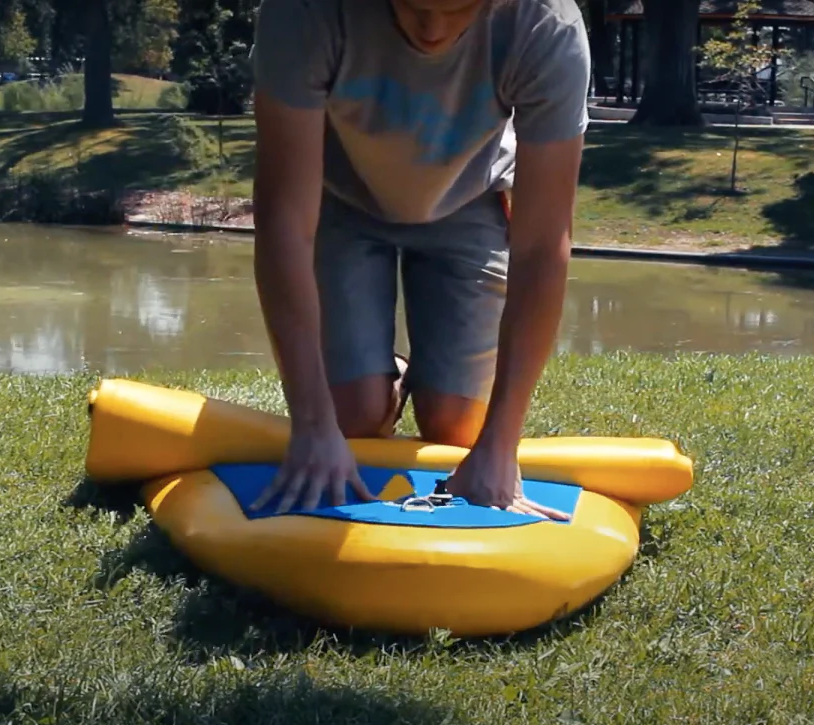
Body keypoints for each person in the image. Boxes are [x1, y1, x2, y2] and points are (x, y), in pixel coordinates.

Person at [247, 0, 591, 518]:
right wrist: (313, 425)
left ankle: (413, 381)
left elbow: (543, 245)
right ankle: (381, 384)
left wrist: (501, 445)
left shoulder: (546, 26)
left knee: (455, 429)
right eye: (412, 5)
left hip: (470, 199)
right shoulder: (303, 13)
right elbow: (283, 223)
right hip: (338, 198)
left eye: (456, 10)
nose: (431, 29)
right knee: (353, 418)